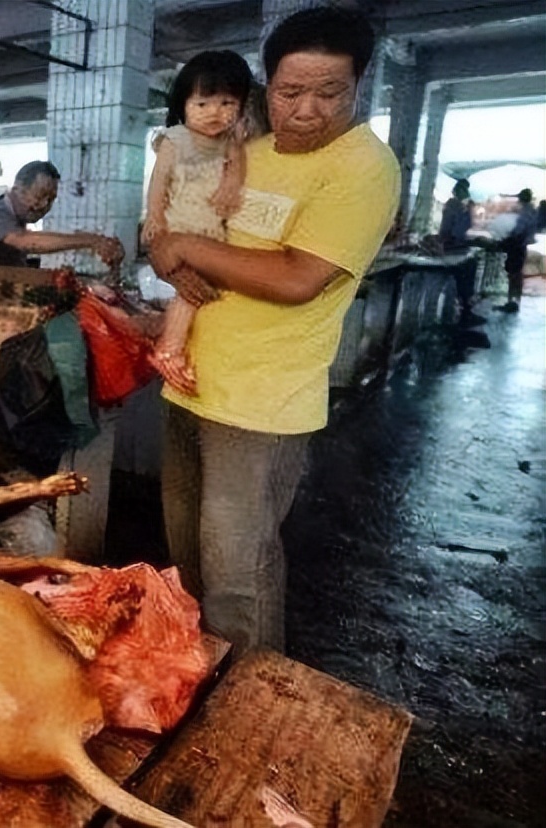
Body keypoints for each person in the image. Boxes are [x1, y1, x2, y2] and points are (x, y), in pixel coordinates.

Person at [147, 7, 400, 655]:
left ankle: (250, 693)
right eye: (289, 93)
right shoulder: (247, 153)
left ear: (360, 84)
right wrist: (168, 252)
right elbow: (171, 230)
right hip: (189, 382)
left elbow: (297, 277)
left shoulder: (363, 167)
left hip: (262, 404)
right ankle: (197, 679)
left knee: (238, 574)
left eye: (330, 92)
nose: (307, 111)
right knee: (187, 557)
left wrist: (189, 251)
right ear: (267, 87)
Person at [141, 49, 254, 396]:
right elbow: (158, 182)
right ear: (184, 105)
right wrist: (154, 216)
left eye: (226, 103)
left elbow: (237, 167)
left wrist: (231, 184)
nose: (214, 112)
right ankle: (169, 349)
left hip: (212, 230)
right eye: (202, 104)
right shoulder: (176, 139)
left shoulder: (231, 143)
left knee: (194, 292)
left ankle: (171, 345)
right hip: (183, 226)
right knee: (192, 291)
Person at [0, 161, 123, 269]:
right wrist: (91, 240)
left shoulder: (17, 222)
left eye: (51, 199)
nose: (44, 205)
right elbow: (26, 241)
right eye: (40, 196)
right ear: (18, 189)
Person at [437, 178, 484, 325]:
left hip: (453, 247)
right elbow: (457, 231)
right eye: (464, 190)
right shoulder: (457, 207)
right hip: (453, 249)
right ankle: (464, 313)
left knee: (468, 271)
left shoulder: (454, 206)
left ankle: (463, 311)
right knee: (466, 275)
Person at [496, 188, 536, 313]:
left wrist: (506, 238)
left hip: (517, 245)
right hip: (521, 246)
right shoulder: (530, 210)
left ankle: (511, 302)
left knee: (514, 274)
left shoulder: (525, 212)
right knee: (516, 274)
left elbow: (519, 230)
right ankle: (514, 301)